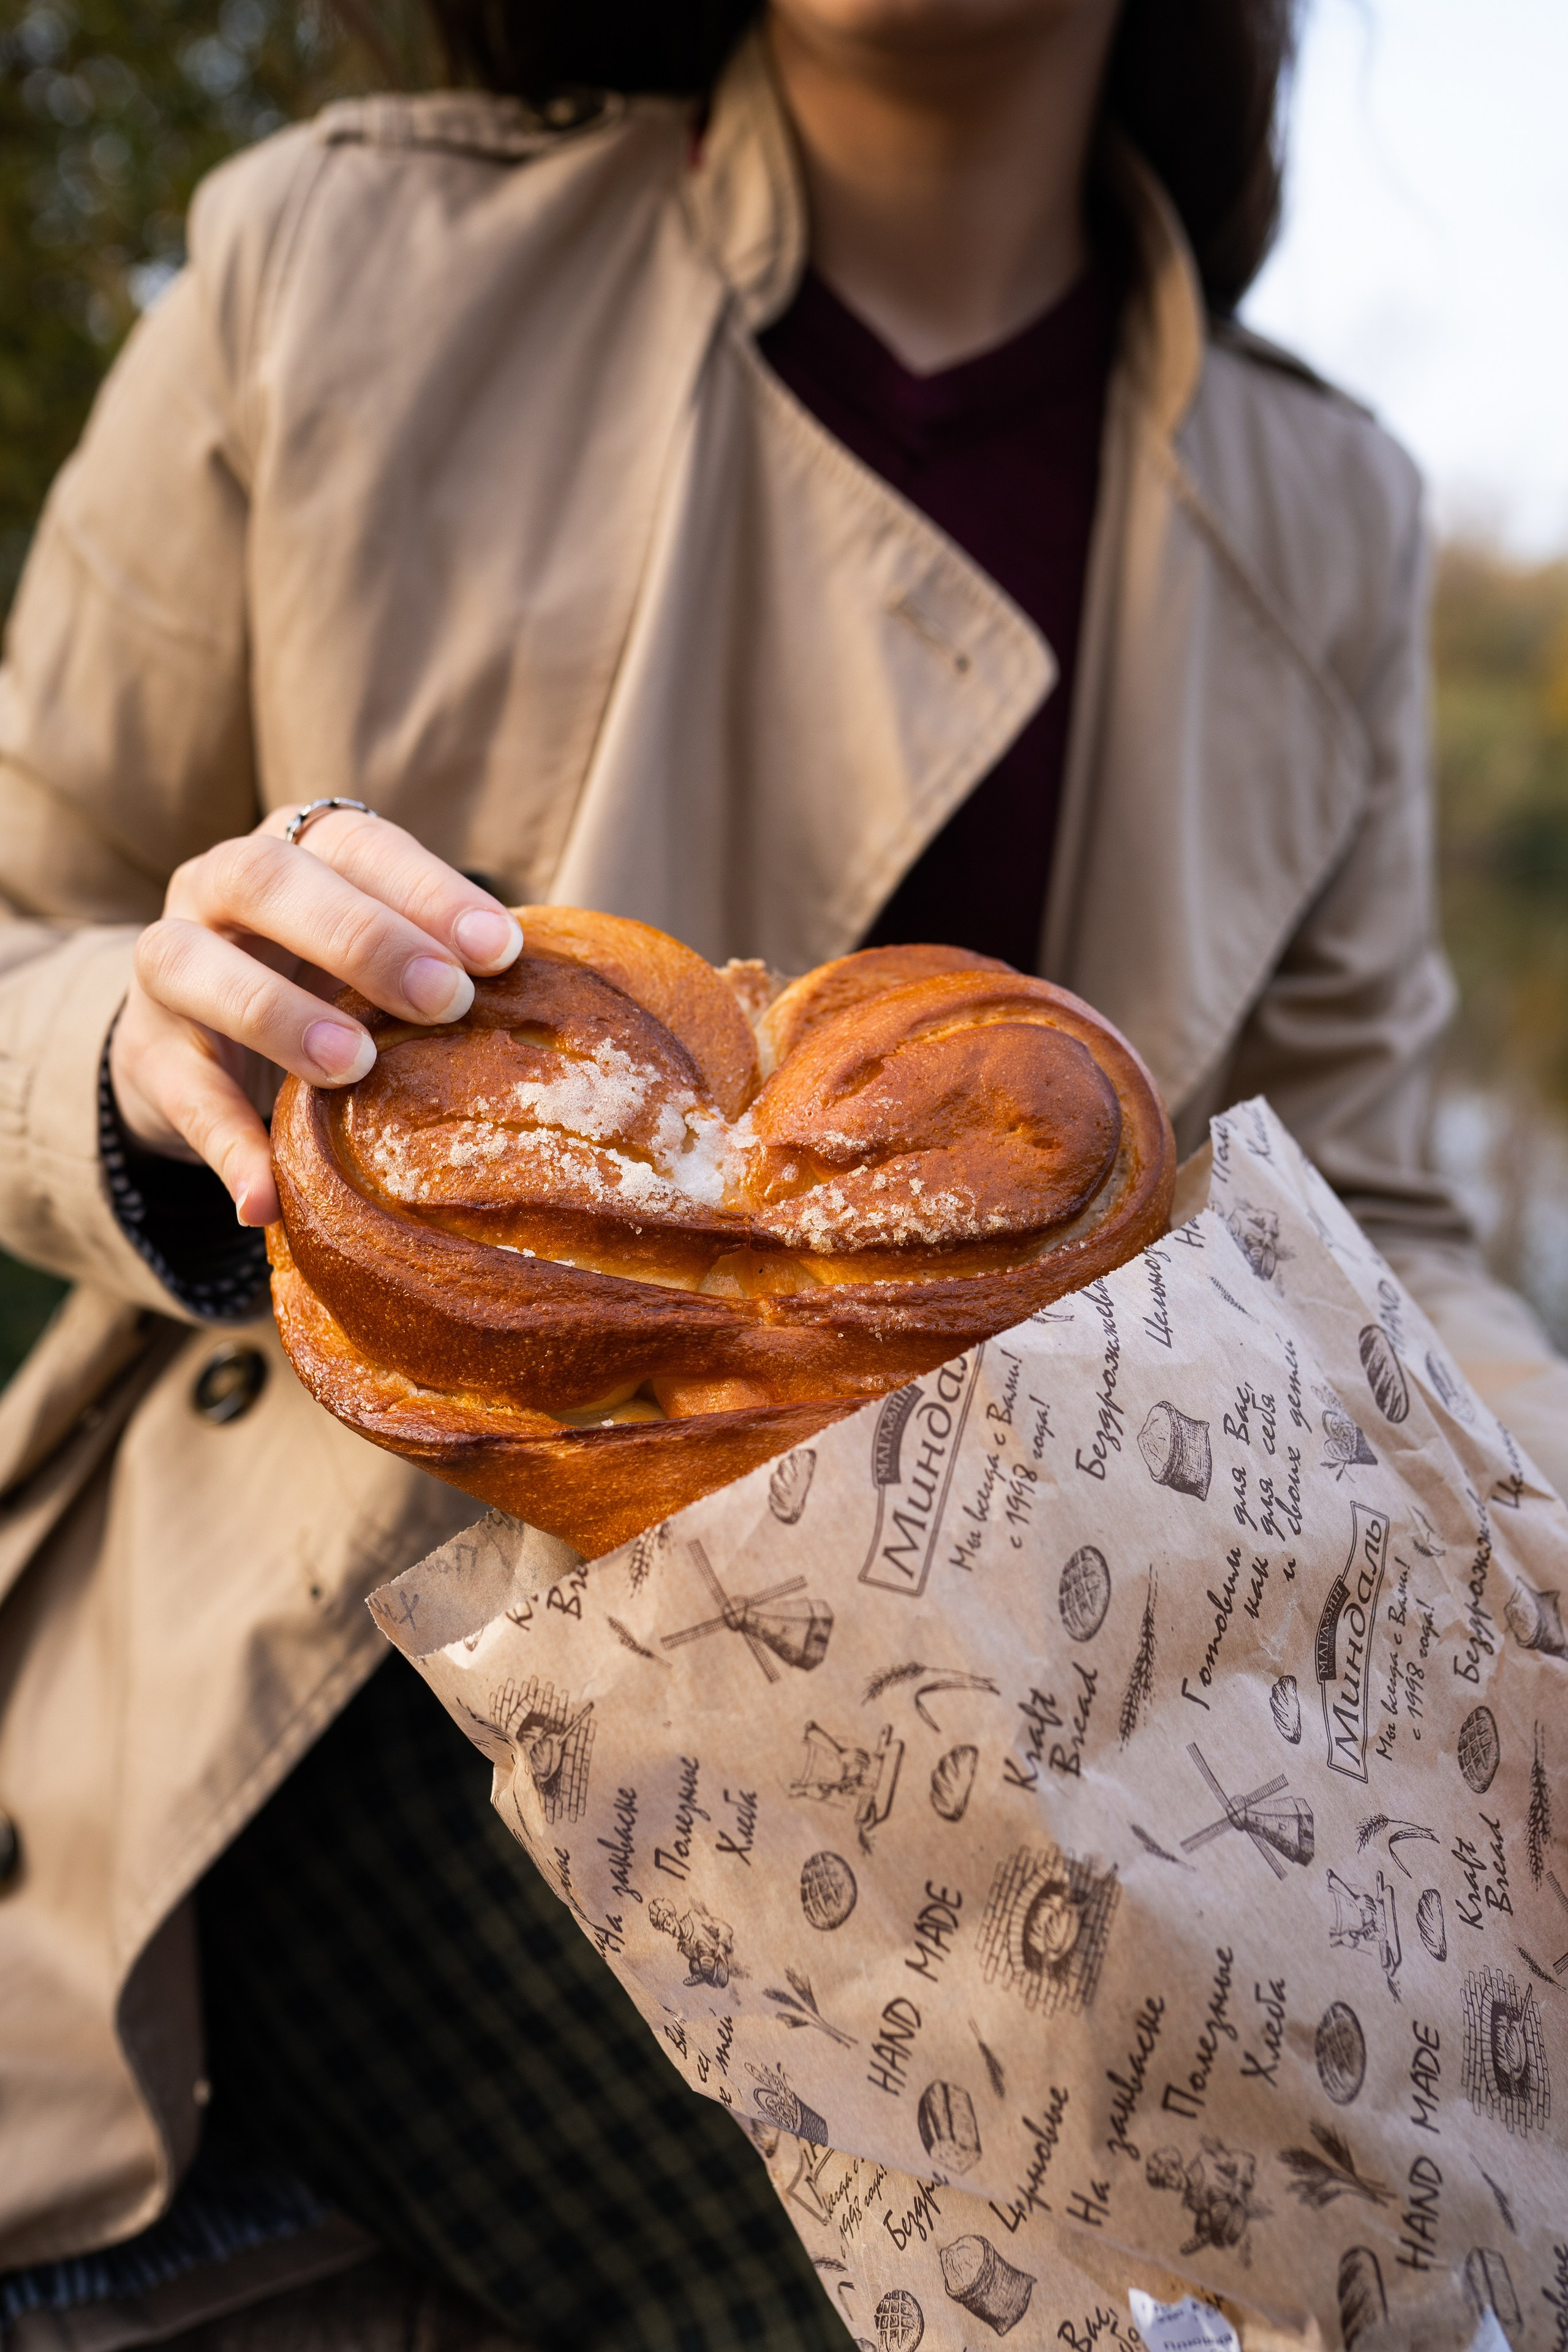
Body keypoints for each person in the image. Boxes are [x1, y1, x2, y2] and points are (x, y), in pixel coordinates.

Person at [0, 0, 1563, 2343]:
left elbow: (1372, 1210)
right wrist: (148, 1051)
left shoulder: (1323, 503)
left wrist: (1524, 1524)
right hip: (349, 1683)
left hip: (1063, 1709)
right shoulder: (334, 263)